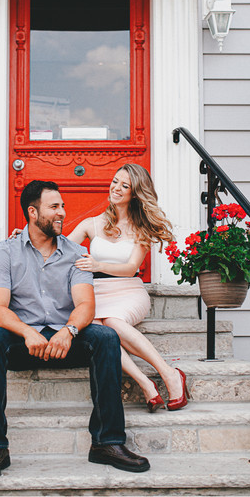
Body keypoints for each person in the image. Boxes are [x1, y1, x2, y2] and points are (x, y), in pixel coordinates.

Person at [0, 180, 149, 481]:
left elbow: (85, 305)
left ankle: (107, 443)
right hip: (24, 343)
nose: (62, 213)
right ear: (32, 212)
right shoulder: (6, 252)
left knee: (106, 337)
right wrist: (27, 332)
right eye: (54, 207)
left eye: (62, 206)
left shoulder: (75, 252)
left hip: (66, 341)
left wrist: (69, 331)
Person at [66, 164, 187, 412]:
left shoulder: (142, 228)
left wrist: (98, 264)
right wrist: (29, 236)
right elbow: (60, 249)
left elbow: (132, 268)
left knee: (112, 322)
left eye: (125, 185)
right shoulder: (92, 224)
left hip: (128, 292)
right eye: (115, 181)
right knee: (99, 329)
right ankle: (145, 383)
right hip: (96, 292)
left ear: (135, 193)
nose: (116, 188)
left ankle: (169, 373)